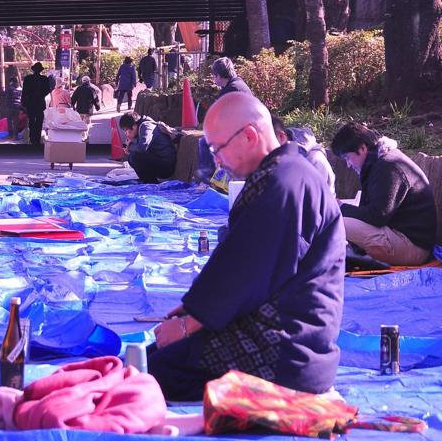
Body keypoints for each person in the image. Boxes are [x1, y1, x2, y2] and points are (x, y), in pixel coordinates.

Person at [147, 93, 345, 401]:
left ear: (249, 135)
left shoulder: (282, 182)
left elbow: (245, 271)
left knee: (155, 369)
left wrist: (189, 324)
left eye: (217, 149)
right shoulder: (286, 173)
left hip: (288, 352)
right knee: (155, 358)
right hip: (290, 337)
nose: (216, 160)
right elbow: (242, 259)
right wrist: (191, 309)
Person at [330, 122, 437, 266]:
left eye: (348, 158)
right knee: (337, 216)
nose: (348, 165)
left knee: (333, 221)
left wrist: (341, 207)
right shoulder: (377, 162)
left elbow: (376, 216)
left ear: (362, 148)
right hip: (400, 235)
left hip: (413, 248)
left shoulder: (388, 167)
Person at [271, 115, 336, 195]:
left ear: (282, 137)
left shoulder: (314, 161)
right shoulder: (279, 158)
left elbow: (312, 202)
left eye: (268, 143)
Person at [118, 111, 178, 183]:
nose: (126, 133)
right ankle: (148, 180)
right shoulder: (141, 127)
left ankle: (150, 182)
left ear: (133, 126)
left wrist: (130, 146)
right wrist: (130, 148)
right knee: (131, 157)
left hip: (166, 165)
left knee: (135, 157)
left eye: (126, 130)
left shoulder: (147, 126)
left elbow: (142, 148)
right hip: (158, 160)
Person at [21, 62, 52, 147]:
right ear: (40, 70)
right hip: (40, 102)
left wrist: (23, 101)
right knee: (39, 120)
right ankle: (37, 138)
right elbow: (47, 90)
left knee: (31, 120)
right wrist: (41, 95)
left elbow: (24, 91)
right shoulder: (44, 79)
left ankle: (32, 138)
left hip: (30, 102)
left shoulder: (28, 78)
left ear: (33, 70)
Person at [71, 74, 100, 139]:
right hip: (88, 111)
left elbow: (73, 98)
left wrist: (73, 106)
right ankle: (84, 136)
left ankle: (82, 136)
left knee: (81, 124)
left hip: (79, 110)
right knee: (87, 124)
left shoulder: (78, 89)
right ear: (89, 81)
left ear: (82, 82)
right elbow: (95, 99)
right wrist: (97, 107)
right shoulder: (92, 89)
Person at [2, 76, 23, 141]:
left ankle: (10, 135)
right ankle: (16, 136)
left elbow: (5, 95)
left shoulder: (10, 88)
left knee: (10, 121)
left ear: (11, 81)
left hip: (11, 106)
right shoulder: (20, 88)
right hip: (18, 106)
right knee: (16, 122)